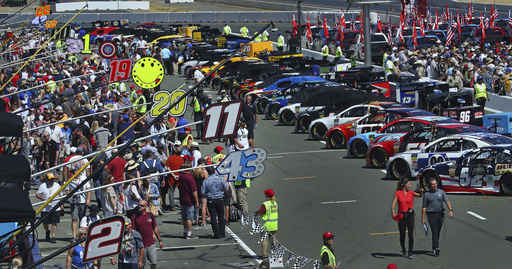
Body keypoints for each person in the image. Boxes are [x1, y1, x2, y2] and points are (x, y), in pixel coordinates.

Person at [390, 178, 423, 259]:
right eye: (408, 184)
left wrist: (421, 191)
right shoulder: (398, 193)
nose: (410, 185)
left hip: (410, 215)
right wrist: (393, 211)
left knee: (410, 234)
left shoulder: (411, 193)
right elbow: (394, 202)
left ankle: (410, 252)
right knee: (402, 235)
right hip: (401, 215)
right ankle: (404, 249)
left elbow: (420, 196)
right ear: (404, 185)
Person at [421, 178, 453, 256]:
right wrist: (422, 218)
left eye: (435, 183)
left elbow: (447, 201)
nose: (435, 185)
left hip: (440, 214)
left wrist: (450, 210)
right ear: (430, 185)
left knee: (438, 232)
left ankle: (433, 246)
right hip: (431, 215)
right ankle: (436, 248)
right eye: (433, 184)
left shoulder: (441, 192)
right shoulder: (427, 195)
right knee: (435, 231)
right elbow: (424, 207)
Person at [131, 200, 164, 269]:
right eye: (139, 205)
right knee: (141, 265)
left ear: (146, 207)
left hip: (151, 243)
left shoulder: (150, 215)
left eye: (141, 205)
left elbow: (155, 228)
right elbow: (132, 231)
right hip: (140, 246)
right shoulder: (135, 217)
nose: (139, 207)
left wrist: (160, 240)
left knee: (154, 262)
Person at [201, 166, 229, 239]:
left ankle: (216, 234)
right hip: (220, 199)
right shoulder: (220, 179)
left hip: (211, 200)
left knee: (213, 217)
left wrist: (208, 191)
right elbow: (226, 189)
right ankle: (222, 233)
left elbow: (202, 191)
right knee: (221, 216)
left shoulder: (206, 181)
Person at [36, 173, 63, 243]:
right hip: (45, 208)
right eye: (50, 179)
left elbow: (61, 196)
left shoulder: (57, 185)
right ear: (47, 179)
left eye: (53, 179)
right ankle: (47, 231)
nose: (52, 180)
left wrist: (62, 205)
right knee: (45, 223)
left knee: (54, 222)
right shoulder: (42, 186)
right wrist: (41, 198)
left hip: (55, 207)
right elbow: (37, 194)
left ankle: (53, 236)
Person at [178, 161, 200, 239]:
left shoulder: (181, 176)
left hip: (182, 198)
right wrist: (197, 201)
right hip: (189, 200)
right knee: (189, 217)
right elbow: (194, 191)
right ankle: (189, 234)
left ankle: (185, 231)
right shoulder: (190, 178)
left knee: (184, 217)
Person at [255, 189, 278, 259]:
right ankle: (275, 253)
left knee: (264, 239)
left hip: (266, 225)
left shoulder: (266, 204)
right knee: (273, 240)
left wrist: (256, 212)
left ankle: (264, 255)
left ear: (267, 196)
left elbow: (260, 211)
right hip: (274, 225)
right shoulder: (275, 203)